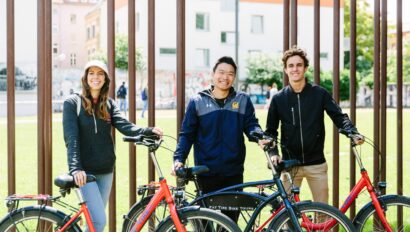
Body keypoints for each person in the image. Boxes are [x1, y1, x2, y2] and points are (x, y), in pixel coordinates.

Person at [62, 60, 163, 232]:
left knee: (94, 225)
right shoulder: (73, 103)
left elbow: (125, 126)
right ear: (85, 77)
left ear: (106, 79)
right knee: (99, 222)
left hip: (106, 170)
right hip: (85, 172)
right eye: (91, 73)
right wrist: (75, 168)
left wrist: (148, 130)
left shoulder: (108, 104)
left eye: (100, 73)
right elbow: (71, 138)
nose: (96, 77)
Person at [264, 46, 364, 204]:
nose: (295, 69)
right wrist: (273, 153)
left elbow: (338, 116)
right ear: (285, 70)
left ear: (305, 68)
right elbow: (270, 132)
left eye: (299, 65)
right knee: (285, 214)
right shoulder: (279, 99)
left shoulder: (319, 94)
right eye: (291, 65)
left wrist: (352, 131)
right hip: (290, 166)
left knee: (323, 212)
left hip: (316, 164)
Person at [172, 56, 264, 221]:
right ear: (212, 74)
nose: (225, 77)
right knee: (205, 223)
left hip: (233, 174)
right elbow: (187, 135)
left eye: (230, 74)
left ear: (234, 77)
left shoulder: (242, 100)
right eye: (221, 72)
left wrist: (259, 136)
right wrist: (178, 159)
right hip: (205, 173)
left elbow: (251, 125)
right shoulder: (197, 101)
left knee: (229, 224)